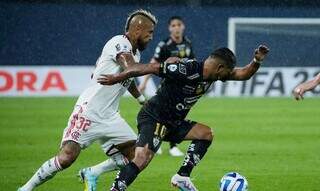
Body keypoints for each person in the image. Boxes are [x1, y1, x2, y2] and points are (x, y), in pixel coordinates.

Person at [18, 9, 157, 191]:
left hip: (110, 116)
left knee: (138, 155)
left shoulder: (135, 53)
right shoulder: (118, 43)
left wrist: (141, 99)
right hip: (89, 110)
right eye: (150, 33)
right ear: (137, 30)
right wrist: (160, 67)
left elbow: (128, 77)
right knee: (67, 157)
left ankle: (92, 172)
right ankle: (25, 189)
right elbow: (130, 68)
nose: (151, 37)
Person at [97, 45, 269, 191]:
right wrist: (117, 77)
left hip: (173, 122)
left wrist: (257, 61)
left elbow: (244, 74)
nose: (229, 75)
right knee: (141, 159)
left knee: (205, 134)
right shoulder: (186, 70)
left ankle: (182, 176)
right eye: (228, 72)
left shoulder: (213, 74)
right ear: (219, 68)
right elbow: (147, 68)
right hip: (153, 117)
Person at [139, 16, 195, 157]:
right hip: (167, 86)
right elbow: (153, 62)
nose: (176, 27)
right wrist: (145, 82)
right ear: (170, 28)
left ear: (183, 26)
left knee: (178, 115)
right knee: (162, 114)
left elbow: (193, 63)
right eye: (174, 25)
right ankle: (155, 141)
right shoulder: (164, 45)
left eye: (179, 24)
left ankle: (173, 146)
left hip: (183, 88)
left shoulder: (188, 43)